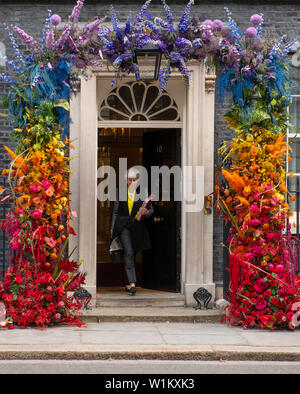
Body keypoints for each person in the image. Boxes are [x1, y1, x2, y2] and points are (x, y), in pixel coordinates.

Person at [111, 167, 154, 295]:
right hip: (123, 226)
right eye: (129, 180)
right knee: (129, 252)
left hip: (137, 226)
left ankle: (127, 282)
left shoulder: (143, 192)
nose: (131, 182)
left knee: (132, 254)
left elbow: (151, 210)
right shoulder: (120, 192)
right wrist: (113, 228)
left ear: (138, 181)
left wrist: (146, 212)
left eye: (134, 180)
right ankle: (133, 283)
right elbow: (116, 211)